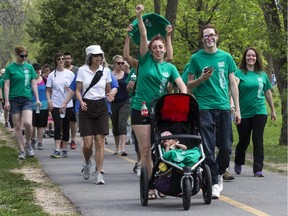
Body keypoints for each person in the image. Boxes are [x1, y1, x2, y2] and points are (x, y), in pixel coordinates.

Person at [131, 5, 187, 199]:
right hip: (140, 109)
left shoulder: (170, 68)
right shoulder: (145, 60)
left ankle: (164, 180)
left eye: (160, 47)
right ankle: (151, 185)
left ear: (164, 50)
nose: (157, 50)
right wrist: (139, 16)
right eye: (154, 47)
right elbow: (144, 32)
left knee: (164, 147)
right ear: (150, 49)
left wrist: (183, 100)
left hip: (161, 111)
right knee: (146, 149)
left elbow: (182, 86)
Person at [187, 24, 241, 199]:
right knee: (208, 147)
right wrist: (201, 79)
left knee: (225, 146)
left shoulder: (226, 57)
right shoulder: (196, 58)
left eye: (211, 35)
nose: (209, 38)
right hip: (204, 107)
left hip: (224, 107)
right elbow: (189, 85)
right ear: (202, 39)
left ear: (217, 36)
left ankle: (218, 172)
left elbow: (233, 83)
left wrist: (237, 109)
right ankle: (214, 181)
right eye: (205, 36)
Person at [234, 47, 276, 177]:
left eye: (253, 56)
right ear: (245, 58)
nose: (251, 58)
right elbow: (233, 88)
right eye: (248, 56)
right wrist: (234, 108)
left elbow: (268, 92)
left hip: (260, 110)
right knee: (244, 140)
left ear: (256, 58)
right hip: (244, 112)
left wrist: (273, 110)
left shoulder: (262, 74)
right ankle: (238, 161)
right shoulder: (239, 73)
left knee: (258, 139)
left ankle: (258, 169)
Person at [76, 45, 112, 185]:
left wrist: (111, 95)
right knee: (87, 144)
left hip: (100, 106)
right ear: (90, 57)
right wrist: (80, 101)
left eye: (100, 55)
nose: (99, 58)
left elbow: (108, 89)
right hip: (86, 106)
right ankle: (87, 163)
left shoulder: (106, 71)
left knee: (100, 141)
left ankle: (98, 173)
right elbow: (78, 90)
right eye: (96, 55)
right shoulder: (82, 70)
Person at [3, 45, 40, 159]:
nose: (24, 58)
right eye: (22, 55)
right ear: (17, 55)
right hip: (14, 99)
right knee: (17, 126)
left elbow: (33, 83)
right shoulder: (10, 68)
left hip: (26, 98)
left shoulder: (29, 67)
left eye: (26, 56)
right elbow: (7, 85)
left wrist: (37, 98)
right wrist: (7, 101)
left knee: (28, 123)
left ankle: (28, 143)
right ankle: (21, 150)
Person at [46, 53, 75, 158]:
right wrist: (49, 101)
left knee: (66, 126)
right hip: (56, 103)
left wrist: (70, 90)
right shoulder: (52, 75)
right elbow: (48, 90)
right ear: (56, 61)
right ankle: (57, 148)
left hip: (67, 104)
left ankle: (64, 149)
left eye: (63, 59)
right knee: (58, 126)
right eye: (59, 59)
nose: (61, 60)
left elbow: (74, 88)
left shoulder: (70, 74)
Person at [111, 55, 130, 156]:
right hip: (113, 102)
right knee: (115, 126)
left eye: (122, 63)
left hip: (125, 101)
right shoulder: (110, 75)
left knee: (122, 124)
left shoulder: (127, 75)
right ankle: (117, 146)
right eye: (119, 63)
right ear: (114, 64)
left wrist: (130, 86)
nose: (121, 65)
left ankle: (122, 149)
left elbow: (129, 89)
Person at [31, 63, 49, 150]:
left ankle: (40, 142)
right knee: (32, 124)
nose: (37, 71)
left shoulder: (45, 80)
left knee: (41, 125)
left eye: (38, 70)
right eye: (35, 70)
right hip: (31, 105)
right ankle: (33, 139)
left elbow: (48, 92)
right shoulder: (29, 80)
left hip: (43, 105)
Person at [64, 52, 79, 149]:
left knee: (73, 120)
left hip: (74, 98)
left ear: (71, 59)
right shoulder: (60, 70)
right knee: (64, 120)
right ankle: (64, 138)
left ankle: (73, 139)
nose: (66, 60)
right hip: (62, 98)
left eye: (68, 58)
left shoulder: (76, 70)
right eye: (65, 58)